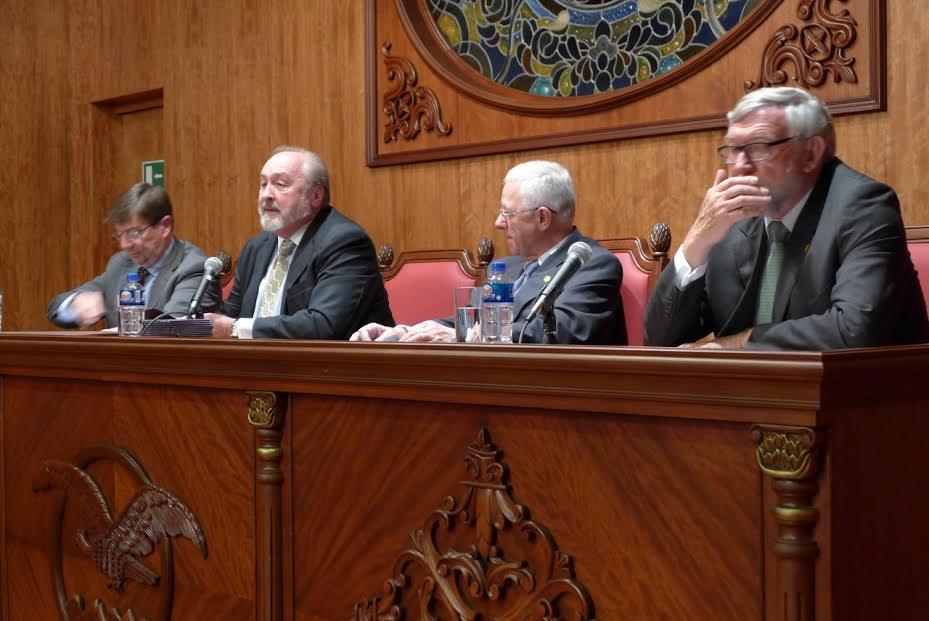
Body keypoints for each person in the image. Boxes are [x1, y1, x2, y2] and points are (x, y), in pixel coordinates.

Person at [644, 86, 929, 350]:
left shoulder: (863, 207)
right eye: (733, 149)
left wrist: (739, 343)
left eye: (759, 147)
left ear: (810, 153)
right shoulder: (732, 221)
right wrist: (698, 240)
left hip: (866, 397)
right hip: (753, 399)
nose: (740, 166)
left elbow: (854, 329)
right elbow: (660, 340)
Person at [351, 160, 625, 344]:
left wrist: (462, 336)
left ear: (543, 218)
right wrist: (405, 332)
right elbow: (472, 318)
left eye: (508, 213)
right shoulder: (508, 267)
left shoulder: (592, 265)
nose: (498, 222)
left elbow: (562, 331)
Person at [206, 146, 393, 339]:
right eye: (263, 184)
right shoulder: (256, 246)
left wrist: (236, 328)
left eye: (280, 184)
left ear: (316, 196)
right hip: (255, 365)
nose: (266, 195)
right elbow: (229, 316)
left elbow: (324, 325)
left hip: (330, 365)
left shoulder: (345, 242)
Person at [48, 183, 218, 329]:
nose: (124, 245)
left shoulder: (193, 268)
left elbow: (172, 328)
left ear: (165, 226)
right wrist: (74, 305)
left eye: (134, 233)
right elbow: (57, 305)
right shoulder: (122, 263)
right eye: (119, 235)